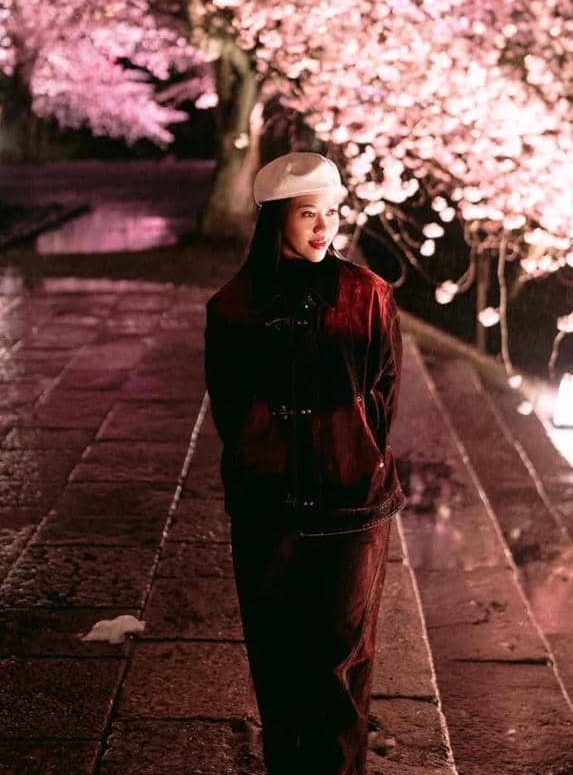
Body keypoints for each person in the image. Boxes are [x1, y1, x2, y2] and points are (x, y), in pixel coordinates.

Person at [204, 150, 406, 775]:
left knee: (343, 660)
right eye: (307, 214)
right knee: (276, 655)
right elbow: (229, 406)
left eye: (332, 213)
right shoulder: (233, 306)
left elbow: (384, 392)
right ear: (275, 219)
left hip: (352, 503)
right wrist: (262, 453)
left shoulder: (368, 296)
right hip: (268, 503)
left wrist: (354, 449)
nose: (324, 228)